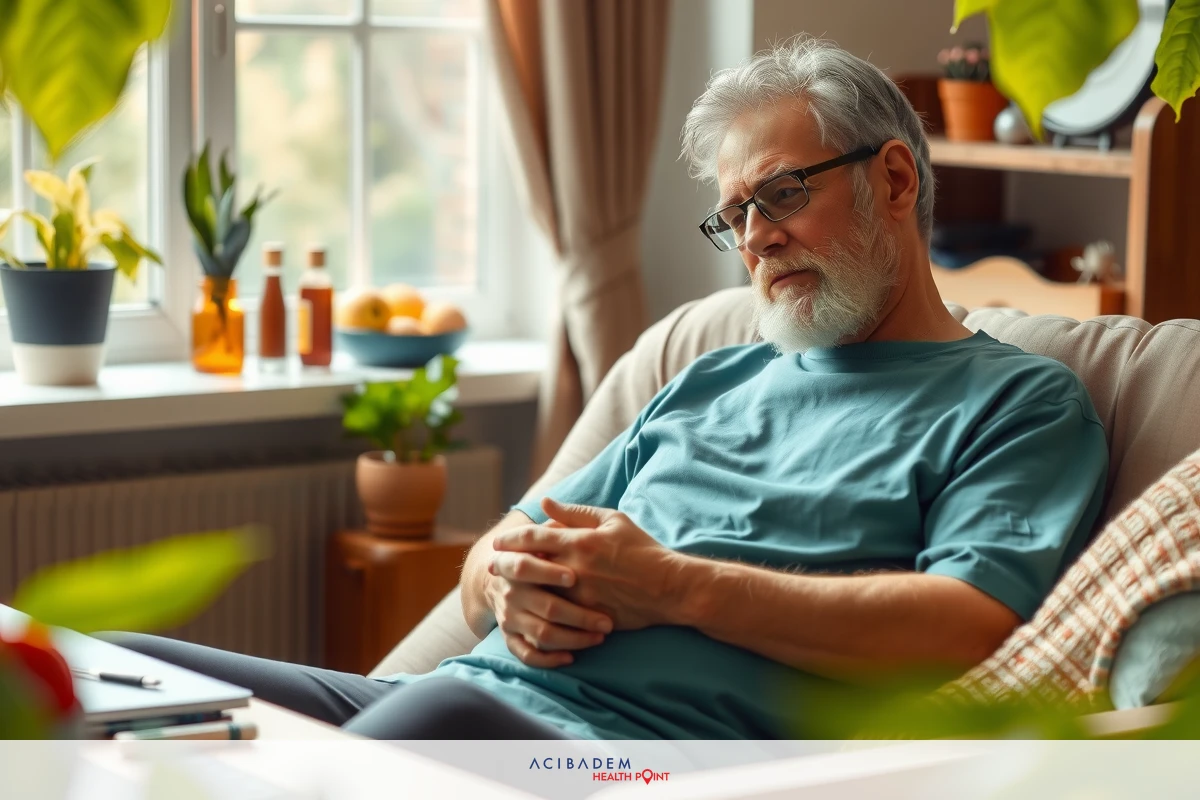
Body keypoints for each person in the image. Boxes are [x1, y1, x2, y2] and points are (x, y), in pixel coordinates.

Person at [110, 36, 1107, 740]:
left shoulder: (1017, 403)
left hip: (620, 759)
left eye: (782, 194)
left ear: (893, 179)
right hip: (459, 698)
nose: (757, 238)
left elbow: (967, 625)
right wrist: (502, 584)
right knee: (110, 670)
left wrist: (675, 584)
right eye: (734, 215)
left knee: (421, 728)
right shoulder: (712, 374)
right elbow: (500, 552)